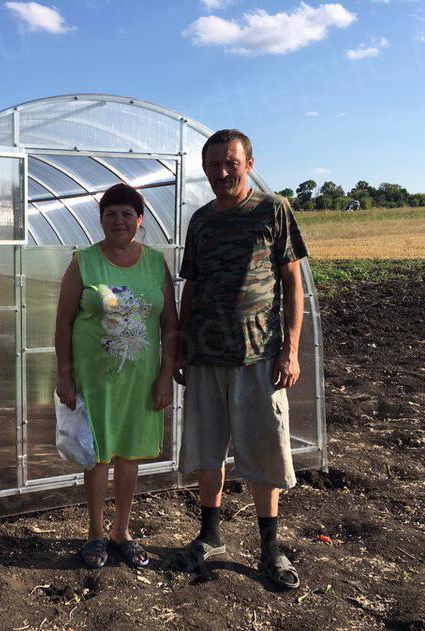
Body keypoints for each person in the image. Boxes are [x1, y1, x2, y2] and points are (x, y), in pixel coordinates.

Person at [174, 129, 309, 590]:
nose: (222, 172)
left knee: (264, 453)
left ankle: (270, 550)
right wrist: (180, 346)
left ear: (249, 163)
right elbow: (191, 287)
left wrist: (290, 350)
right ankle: (210, 536)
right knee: (208, 451)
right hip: (207, 358)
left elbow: (293, 284)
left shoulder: (273, 210)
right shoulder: (201, 221)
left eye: (230, 163)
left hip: (260, 357)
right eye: (213, 165)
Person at [55, 183, 178, 569]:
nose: (119, 220)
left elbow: (170, 324)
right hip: (96, 382)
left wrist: (165, 377)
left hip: (140, 383)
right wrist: (65, 375)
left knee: (129, 455)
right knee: (97, 455)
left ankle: (121, 531)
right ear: (102, 220)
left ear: (140, 221)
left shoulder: (156, 263)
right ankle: (94, 533)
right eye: (111, 214)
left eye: (127, 214)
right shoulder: (84, 262)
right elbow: (63, 321)